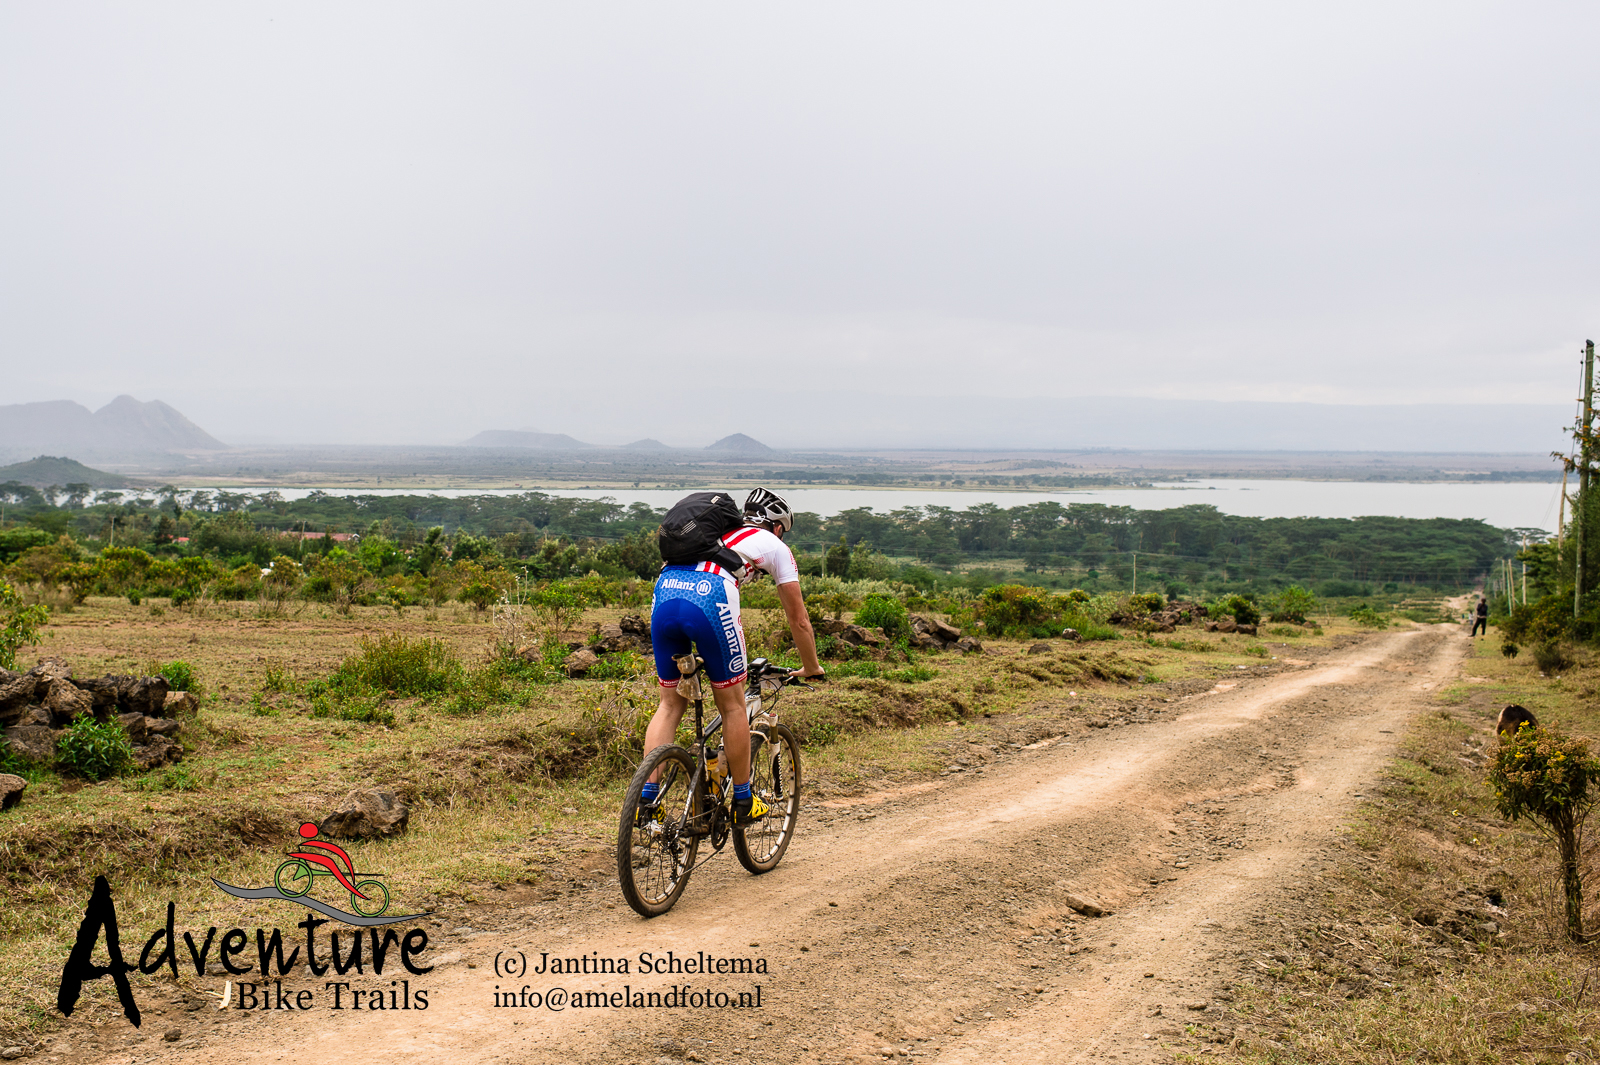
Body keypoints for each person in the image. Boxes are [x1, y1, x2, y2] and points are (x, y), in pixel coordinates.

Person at [642, 487, 826, 824]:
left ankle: (646, 800)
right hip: (710, 595)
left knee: (669, 705)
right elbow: (798, 618)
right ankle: (743, 800)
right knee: (732, 705)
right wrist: (811, 666)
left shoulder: (712, 533)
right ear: (779, 527)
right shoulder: (776, 546)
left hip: (665, 590)